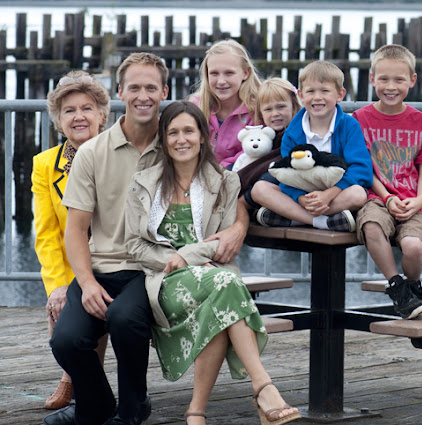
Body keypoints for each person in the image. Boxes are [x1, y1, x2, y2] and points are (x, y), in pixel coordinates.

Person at [125, 100, 301, 425]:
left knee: (220, 295)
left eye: (189, 131)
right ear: (163, 139)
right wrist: (181, 261)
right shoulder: (144, 182)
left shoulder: (225, 181)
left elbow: (224, 241)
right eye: (173, 133)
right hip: (164, 280)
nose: (181, 139)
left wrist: (189, 256)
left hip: (213, 275)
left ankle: (197, 412)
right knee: (226, 287)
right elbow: (135, 245)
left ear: (203, 137)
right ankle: (263, 387)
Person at [43, 52, 170, 425]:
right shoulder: (92, 152)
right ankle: (95, 405)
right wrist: (85, 283)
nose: (143, 96)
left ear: (164, 92)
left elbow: (222, 182)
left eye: (151, 88)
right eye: (134, 87)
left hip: (152, 270)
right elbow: (75, 229)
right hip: (102, 267)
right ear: (120, 92)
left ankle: (132, 409)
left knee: (125, 319)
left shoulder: (176, 145)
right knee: (66, 339)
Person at [32, 70, 111, 410]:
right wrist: (57, 286)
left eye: (87, 108)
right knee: (64, 305)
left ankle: (77, 383)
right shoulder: (44, 165)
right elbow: (47, 234)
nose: (79, 116)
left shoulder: (119, 155)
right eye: (69, 110)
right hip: (71, 266)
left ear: (102, 114)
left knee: (98, 294)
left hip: (115, 261)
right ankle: (76, 378)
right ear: (58, 120)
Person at [352, 44, 422, 319]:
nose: (391, 87)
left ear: (412, 81)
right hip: (377, 197)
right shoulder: (359, 120)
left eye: (399, 80)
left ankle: (413, 287)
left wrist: (418, 201)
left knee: (414, 247)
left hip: (412, 201)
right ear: (372, 79)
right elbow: (365, 168)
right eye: (383, 79)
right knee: (371, 225)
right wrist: (387, 197)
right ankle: (397, 287)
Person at [252, 60, 373, 232]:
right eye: (310, 91)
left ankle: (294, 217)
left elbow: (362, 169)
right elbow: (286, 174)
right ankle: (321, 221)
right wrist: (301, 198)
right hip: (303, 193)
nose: (317, 97)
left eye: (325, 91)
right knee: (260, 189)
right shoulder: (292, 132)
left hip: (336, 193)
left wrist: (329, 194)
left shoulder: (349, 126)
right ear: (301, 95)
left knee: (358, 194)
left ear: (340, 95)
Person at [191, 39, 261, 168]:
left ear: (245, 73)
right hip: (200, 172)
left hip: (238, 173)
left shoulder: (257, 109)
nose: (221, 81)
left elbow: (253, 151)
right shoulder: (196, 107)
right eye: (214, 73)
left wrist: (222, 168)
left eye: (229, 73)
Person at [238, 77, 301, 211]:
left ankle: (242, 205)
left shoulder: (298, 133)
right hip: (267, 193)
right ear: (261, 113)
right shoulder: (264, 137)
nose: (275, 114)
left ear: (293, 106)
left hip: (291, 188)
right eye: (268, 109)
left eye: (281, 107)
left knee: (271, 176)